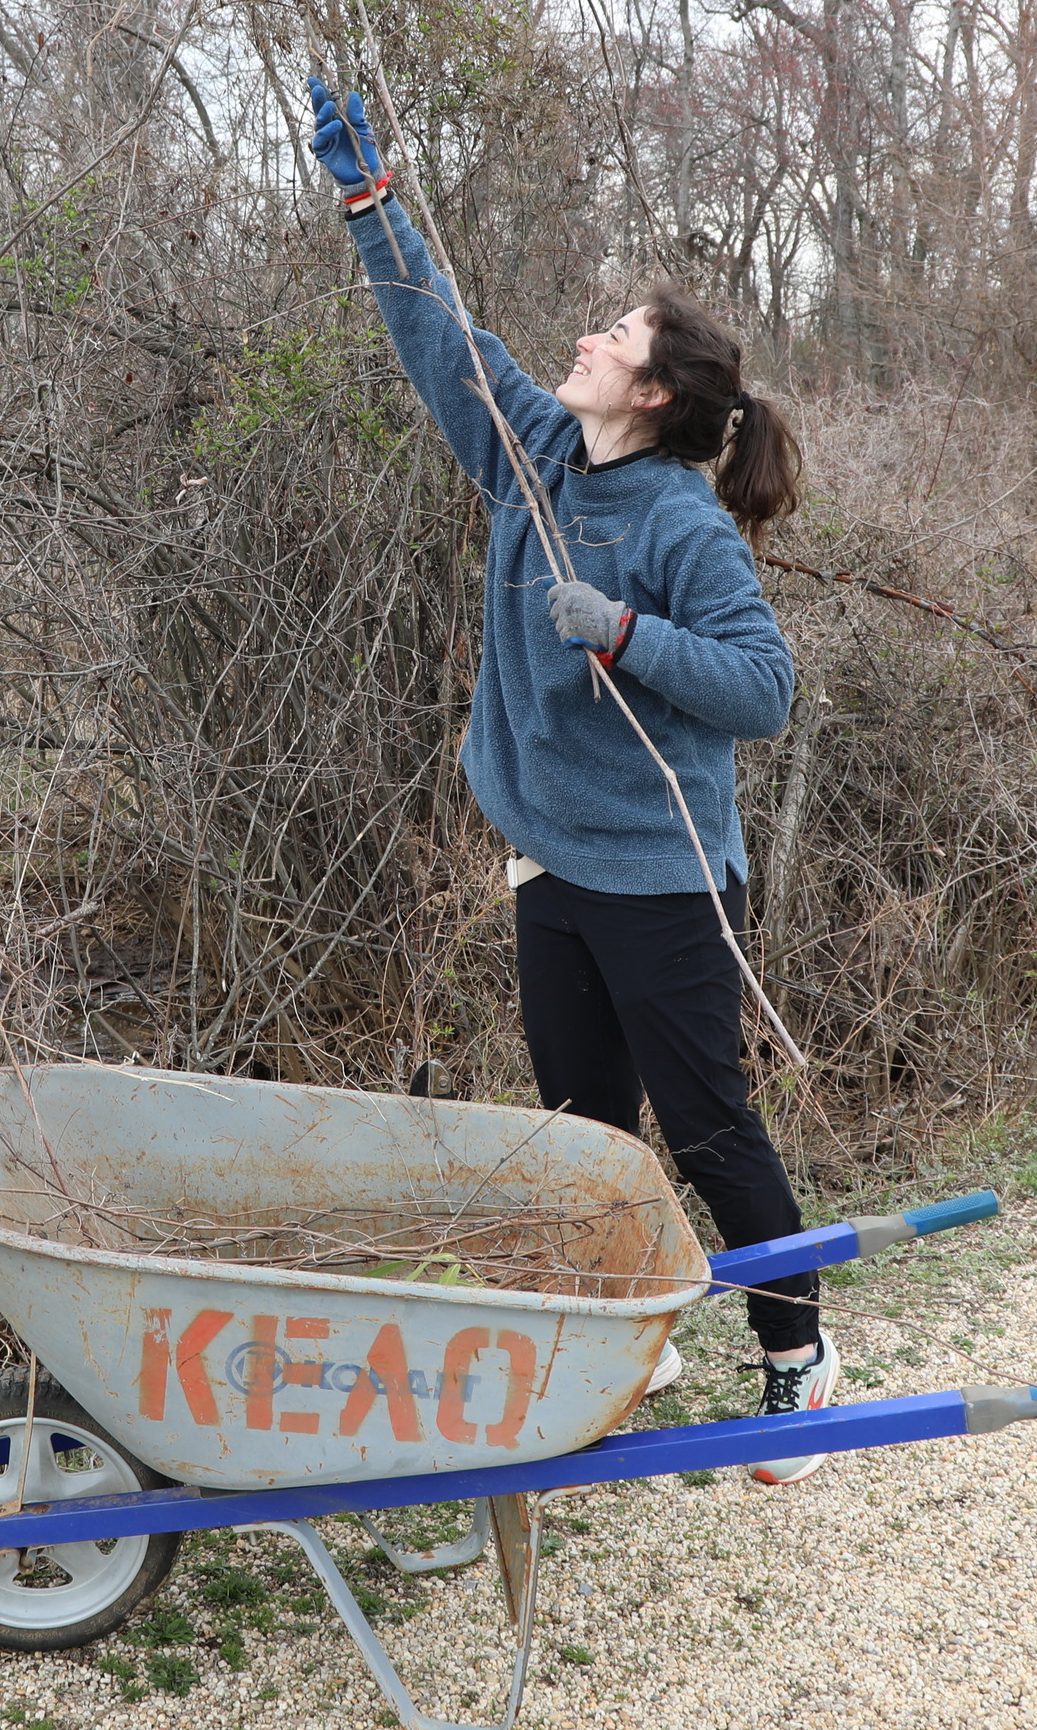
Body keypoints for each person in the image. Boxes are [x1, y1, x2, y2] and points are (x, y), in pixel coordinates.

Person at [306, 79, 841, 1485]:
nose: (587, 337)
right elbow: (443, 340)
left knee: (711, 1124)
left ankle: (798, 1352)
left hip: (664, 879)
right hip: (551, 859)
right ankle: (624, 1334)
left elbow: (764, 691)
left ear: (652, 394)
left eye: (614, 337)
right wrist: (375, 205)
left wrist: (624, 632)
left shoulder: (677, 525)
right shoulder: (534, 458)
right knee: (581, 1137)